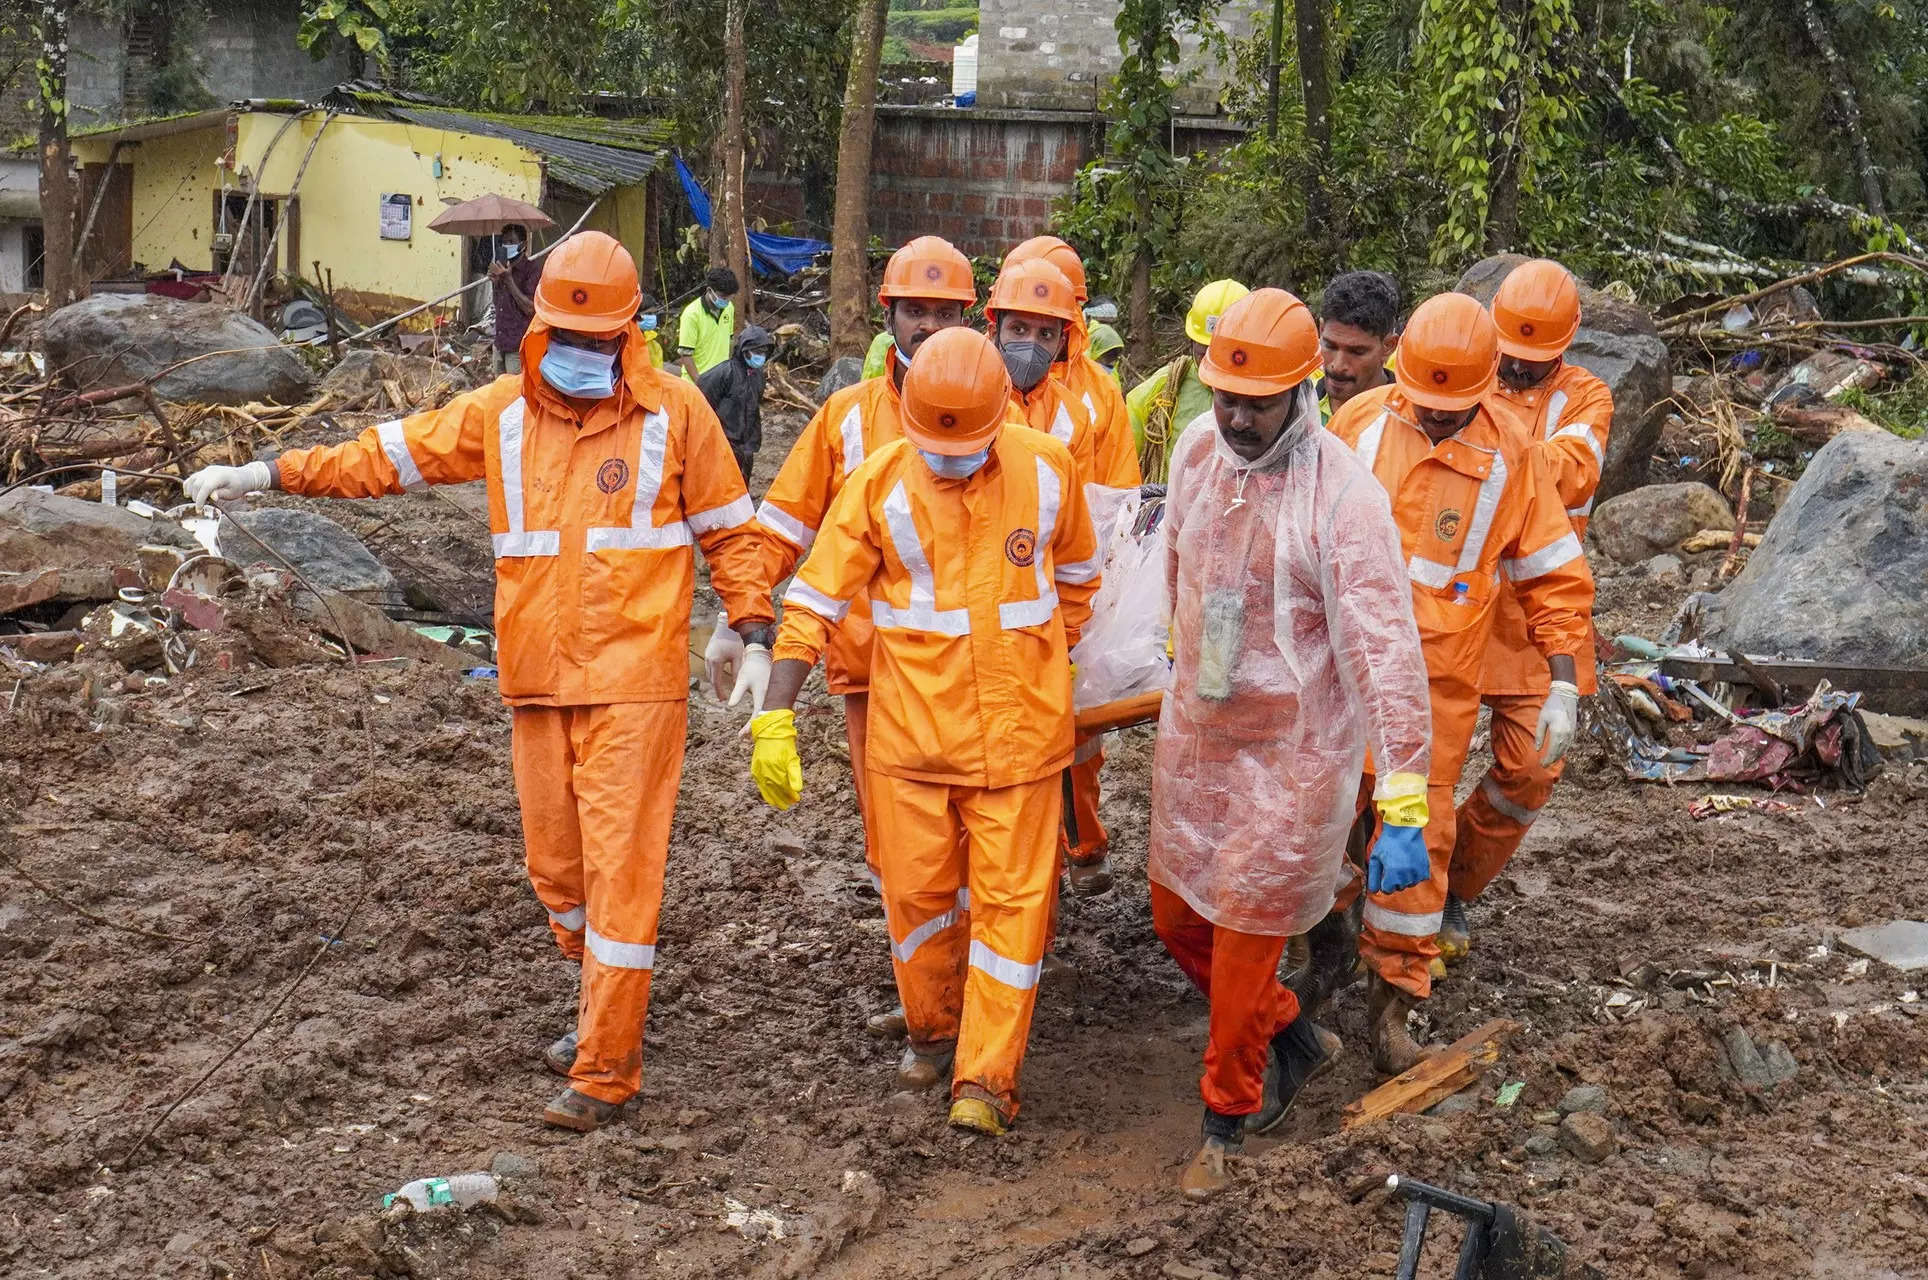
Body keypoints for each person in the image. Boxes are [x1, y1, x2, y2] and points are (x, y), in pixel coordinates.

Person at [182, 232, 772, 1133]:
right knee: (559, 874)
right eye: (565, 338)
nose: (580, 355)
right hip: (537, 682)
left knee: (620, 878)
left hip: (635, 685)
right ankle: (595, 1009)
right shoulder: (500, 414)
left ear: (628, 335)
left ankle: (607, 1070)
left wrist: (750, 625)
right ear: (538, 331)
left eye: (598, 340)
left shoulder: (677, 413)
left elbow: (733, 532)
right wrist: (267, 470)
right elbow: (387, 454)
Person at [746, 326, 1101, 1137]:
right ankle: (935, 1030)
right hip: (910, 747)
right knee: (917, 903)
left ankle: (987, 1077)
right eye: (933, 446)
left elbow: (1079, 582)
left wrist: (1045, 664)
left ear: (999, 416)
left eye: (964, 447)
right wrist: (776, 709)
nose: (947, 461)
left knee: (1014, 912)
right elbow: (814, 602)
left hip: (1020, 746)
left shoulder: (1048, 472)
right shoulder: (876, 487)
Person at [1153, 288, 1433, 1200]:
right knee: (1175, 919)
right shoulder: (1199, 451)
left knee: (1240, 948)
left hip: (1292, 757)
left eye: (1255, 402)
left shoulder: (1343, 495)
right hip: (1200, 737)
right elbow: (1177, 572)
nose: (1235, 417)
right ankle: (1295, 1033)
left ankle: (1225, 1124)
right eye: (1224, 397)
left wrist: (1402, 801)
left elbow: (1384, 652)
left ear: (1300, 389)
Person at [718, 235, 982, 1041]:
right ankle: (932, 1005)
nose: (929, 328)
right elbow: (780, 528)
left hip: (980, 677)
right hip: (875, 675)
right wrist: (744, 616)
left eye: (945, 313)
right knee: (897, 855)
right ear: (888, 315)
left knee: (982, 848)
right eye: (916, 312)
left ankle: (973, 1003)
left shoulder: (998, 412)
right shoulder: (847, 418)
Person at [1325, 291, 1593, 1075]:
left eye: (1452, 412)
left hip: (1428, 703)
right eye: (1426, 409)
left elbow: (1550, 574)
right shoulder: (1361, 424)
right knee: (1321, 828)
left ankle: (1392, 1007)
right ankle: (1314, 968)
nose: (1436, 423)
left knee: (1411, 849)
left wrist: (1564, 682)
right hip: (1337, 686)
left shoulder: (1513, 454)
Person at [1443, 260, 1613, 959]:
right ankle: (1402, 893)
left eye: (1530, 362)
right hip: (1457, 609)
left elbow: (1574, 468)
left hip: (1539, 613)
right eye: (1508, 355)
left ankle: (1454, 886)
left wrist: (1490, 456)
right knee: (1417, 771)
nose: (1515, 370)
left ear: (1564, 348)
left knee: (1532, 771)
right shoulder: (1462, 375)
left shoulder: (1587, 397)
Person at [999, 236, 1143, 897]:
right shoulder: (980, 383)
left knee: (1077, 732)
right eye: (1019, 324)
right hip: (1000, 586)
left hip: (1072, 589)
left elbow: (1118, 496)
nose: (1034, 340)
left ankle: (1081, 840)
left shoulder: (1095, 396)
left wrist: (1103, 588)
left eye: (1050, 324)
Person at [1128, 278, 1250, 482]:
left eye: (1223, 353)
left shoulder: (1272, 396)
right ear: (1192, 341)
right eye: (1206, 351)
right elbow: (1121, 463)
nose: (1214, 363)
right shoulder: (1160, 390)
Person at [698, 323, 776, 487]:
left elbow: (753, 410)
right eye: (756, 352)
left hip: (746, 444)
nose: (760, 356)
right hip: (722, 442)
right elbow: (700, 404)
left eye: (763, 352)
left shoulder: (758, 376)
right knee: (720, 487)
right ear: (744, 350)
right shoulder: (723, 373)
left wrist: (752, 442)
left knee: (742, 485)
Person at [1316, 270, 1400, 419]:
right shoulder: (1297, 407)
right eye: (1330, 346)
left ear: (1388, 346)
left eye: (1356, 352)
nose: (1338, 365)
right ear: (1321, 330)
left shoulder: (1413, 421)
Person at [487, 223, 541, 375]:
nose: (506, 246)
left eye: (511, 242)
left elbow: (530, 309)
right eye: (504, 242)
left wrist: (509, 280)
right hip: (499, 343)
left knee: (515, 393)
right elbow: (498, 305)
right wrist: (496, 282)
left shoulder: (532, 270)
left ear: (523, 244)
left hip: (517, 346)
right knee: (498, 391)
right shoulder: (501, 268)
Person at [678, 266, 740, 381]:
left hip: (720, 380)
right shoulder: (692, 314)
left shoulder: (729, 308)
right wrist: (700, 383)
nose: (726, 301)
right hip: (696, 383)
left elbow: (729, 341)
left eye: (730, 298)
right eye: (723, 297)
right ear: (709, 290)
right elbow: (686, 355)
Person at [638, 293, 666, 370]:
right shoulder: (624, 342)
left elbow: (659, 373)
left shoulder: (655, 346)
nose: (653, 317)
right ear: (636, 315)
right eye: (648, 313)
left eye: (654, 313)